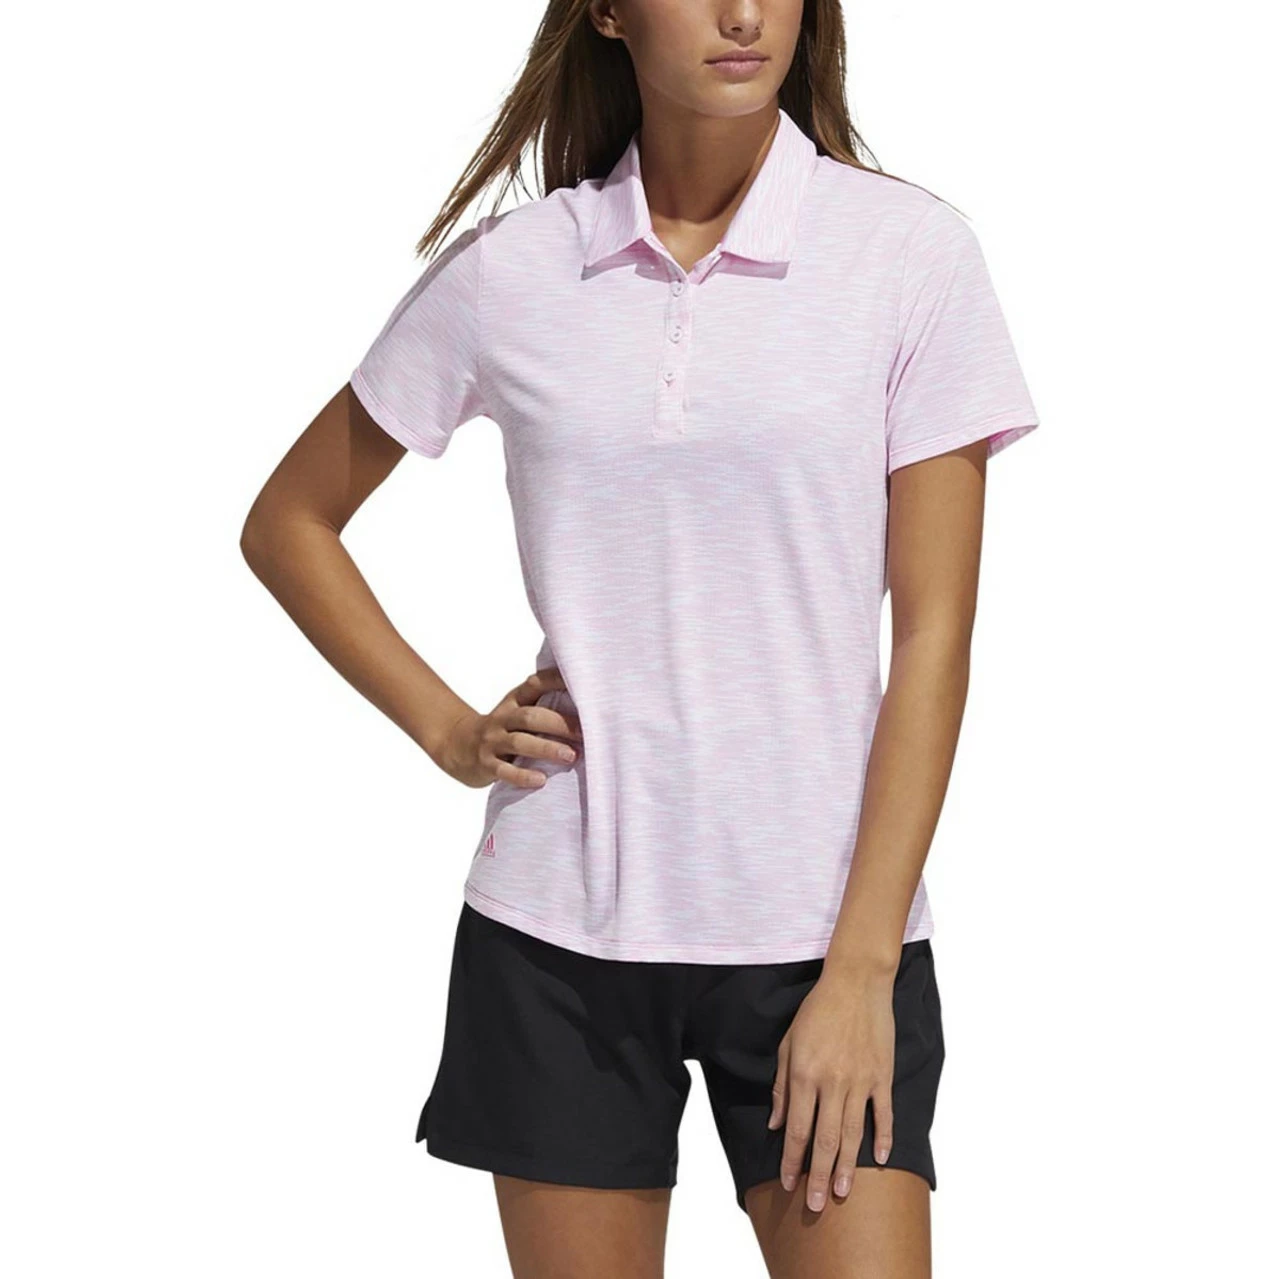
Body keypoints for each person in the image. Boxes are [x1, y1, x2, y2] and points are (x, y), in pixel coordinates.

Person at [240, 1, 1040, 1274]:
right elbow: (290, 522)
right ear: (607, 10)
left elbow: (934, 638)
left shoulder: (906, 255)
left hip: (823, 932)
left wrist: (858, 971)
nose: (743, 14)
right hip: (557, 934)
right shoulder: (514, 271)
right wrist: (449, 730)